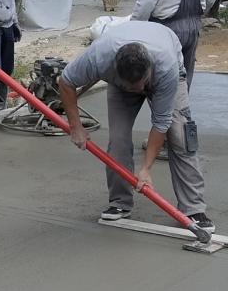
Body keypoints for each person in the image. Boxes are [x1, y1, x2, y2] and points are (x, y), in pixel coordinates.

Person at [57, 19, 214, 233]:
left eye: (141, 85)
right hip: (121, 80)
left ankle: (193, 208)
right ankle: (119, 202)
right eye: (133, 87)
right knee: (118, 139)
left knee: (181, 136)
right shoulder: (99, 57)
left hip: (166, 73)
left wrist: (146, 169)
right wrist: (75, 126)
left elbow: (161, 123)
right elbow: (66, 81)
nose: (139, 90)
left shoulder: (166, 66)